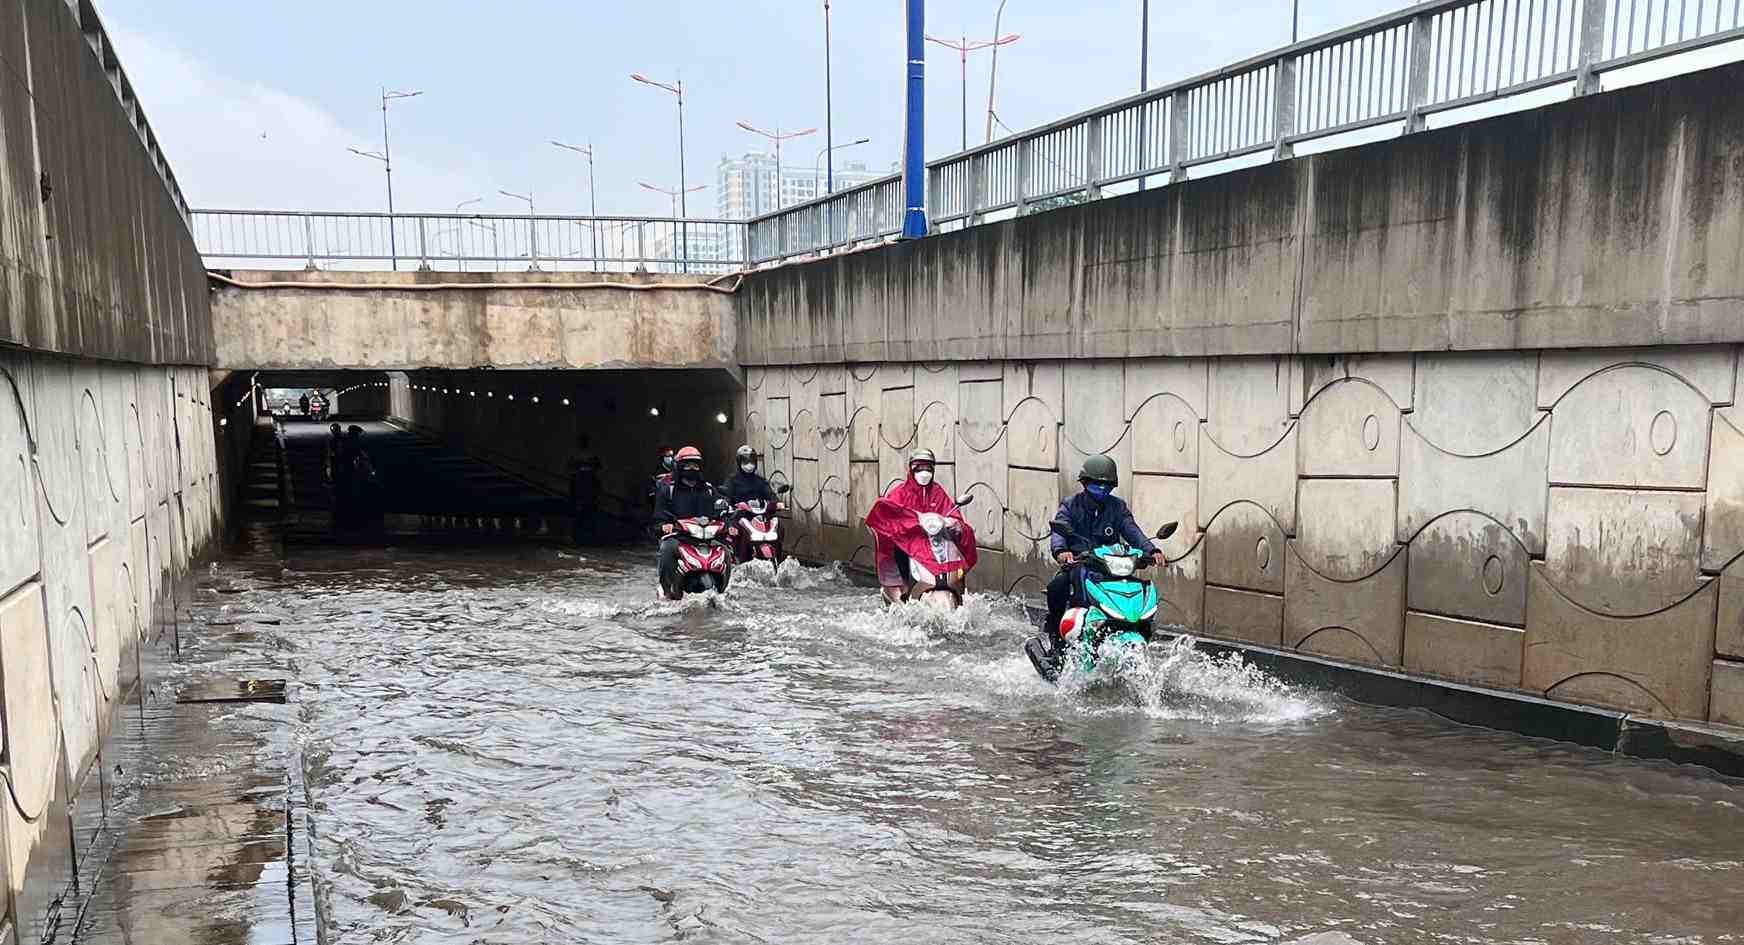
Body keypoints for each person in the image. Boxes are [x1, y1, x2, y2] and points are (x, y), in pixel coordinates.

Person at [1038, 454, 1165, 659]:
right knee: (1057, 586)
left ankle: (1138, 631)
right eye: (1096, 486)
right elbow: (1059, 531)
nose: (1102, 490)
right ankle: (1056, 643)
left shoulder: (1118, 507)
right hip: (1079, 564)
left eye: (1107, 487)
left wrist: (1151, 551)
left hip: (1111, 566)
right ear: (1085, 483)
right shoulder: (1071, 505)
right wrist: (1061, 551)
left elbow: (1132, 530)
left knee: (1137, 588)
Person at [864, 448, 976, 605]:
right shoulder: (900, 493)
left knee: (958, 550)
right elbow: (886, 511)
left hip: (934, 547)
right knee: (899, 551)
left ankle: (958, 592)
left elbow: (951, 513)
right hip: (909, 545)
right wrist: (915, 520)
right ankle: (904, 589)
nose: (924, 473)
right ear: (912, 469)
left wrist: (953, 523)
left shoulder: (937, 492)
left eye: (928, 468)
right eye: (919, 468)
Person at [653, 446, 721, 597]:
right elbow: (657, 519)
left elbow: (721, 511)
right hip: (680, 538)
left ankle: (724, 589)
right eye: (688, 465)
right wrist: (664, 526)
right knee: (667, 549)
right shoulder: (668, 490)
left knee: (725, 552)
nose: (692, 469)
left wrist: (728, 523)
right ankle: (667, 590)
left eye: (695, 465)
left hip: (706, 539)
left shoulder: (709, 489)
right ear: (680, 466)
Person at [725, 445, 777, 562]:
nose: (749, 464)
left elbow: (770, 494)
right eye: (745, 461)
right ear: (739, 462)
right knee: (736, 531)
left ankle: (777, 559)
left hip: (759, 517)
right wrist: (728, 504)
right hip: (740, 516)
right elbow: (726, 495)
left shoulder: (760, 481)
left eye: (752, 461)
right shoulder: (732, 480)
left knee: (779, 527)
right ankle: (739, 559)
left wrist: (776, 503)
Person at [568, 435, 603, 545]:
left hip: (588, 490)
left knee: (589, 514)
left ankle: (589, 537)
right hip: (580, 489)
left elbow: (597, 468)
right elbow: (571, 468)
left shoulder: (591, 455)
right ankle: (577, 536)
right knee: (579, 513)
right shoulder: (576, 455)